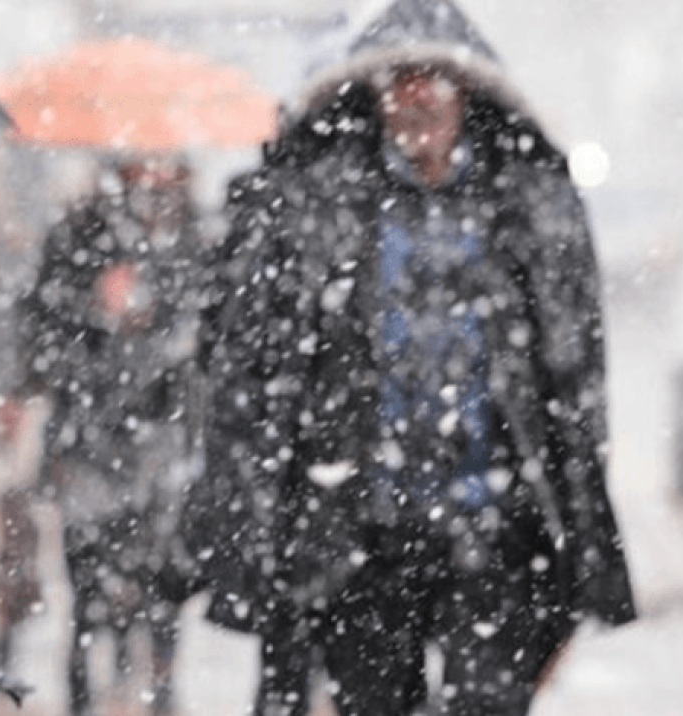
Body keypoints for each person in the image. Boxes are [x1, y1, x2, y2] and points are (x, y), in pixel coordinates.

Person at [186, 1, 636, 714]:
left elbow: (574, 373)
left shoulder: (524, 198)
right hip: (363, 535)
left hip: (493, 528)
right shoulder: (321, 202)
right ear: (374, 93)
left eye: (433, 78)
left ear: (467, 93)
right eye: (400, 79)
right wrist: (253, 516)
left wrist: (581, 534)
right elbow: (253, 363)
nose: (416, 96)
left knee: (488, 702)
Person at [13, 155, 202, 716]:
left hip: (160, 444)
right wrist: (95, 311)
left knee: (163, 589)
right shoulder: (73, 237)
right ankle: (84, 698)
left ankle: (160, 695)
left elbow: (201, 339)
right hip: (87, 445)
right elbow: (40, 344)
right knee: (87, 593)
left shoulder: (189, 239)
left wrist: (157, 321)